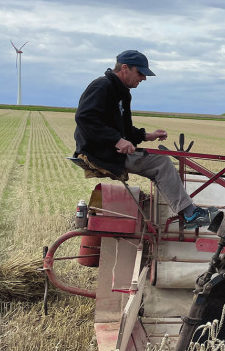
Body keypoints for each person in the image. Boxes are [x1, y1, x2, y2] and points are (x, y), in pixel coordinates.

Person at [74, 50, 217, 229]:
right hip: (100, 152)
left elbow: (124, 131)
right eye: (140, 73)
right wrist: (116, 141)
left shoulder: (123, 93)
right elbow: (85, 118)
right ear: (124, 68)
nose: (143, 78)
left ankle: (184, 211)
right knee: (161, 163)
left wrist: (147, 136)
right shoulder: (101, 86)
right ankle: (190, 214)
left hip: (111, 150)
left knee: (159, 160)